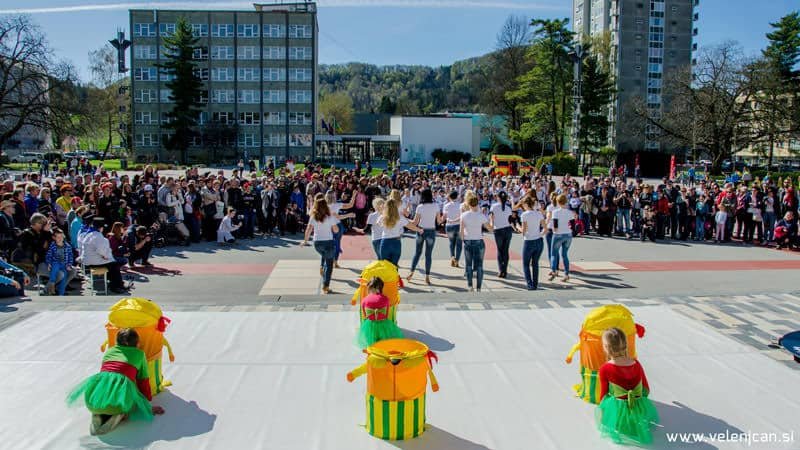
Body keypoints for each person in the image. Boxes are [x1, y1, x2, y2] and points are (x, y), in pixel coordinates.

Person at [66, 328, 165, 435]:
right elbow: (143, 381)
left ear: (117, 341)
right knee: (129, 401)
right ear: (137, 343)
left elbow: (106, 380)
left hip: (93, 401)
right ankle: (120, 414)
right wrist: (146, 405)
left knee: (111, 392)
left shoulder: (109, 351)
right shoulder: (140, 354)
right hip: (118, 405)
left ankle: (98, 413)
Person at [595, 327, 659, 445]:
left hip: (618, 412)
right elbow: (646, 389)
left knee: (609, 402)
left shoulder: (605, 368)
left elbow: (603, 396)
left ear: (606, 348)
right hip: (639, 409)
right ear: (625, 345)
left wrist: (604, 414)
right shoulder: (636, 364)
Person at [77, 216, 129, 294]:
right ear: (101, 228)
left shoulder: (88, 234)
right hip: (93, 262)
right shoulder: (98, 236)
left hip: (87, 261)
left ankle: (115, 282)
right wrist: (107, 257)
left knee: (112, 264)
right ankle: (116, 286)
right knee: (114, 265)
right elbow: (103, 253)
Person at [301, 194, 339, 294]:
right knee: (329, 264)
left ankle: (322, 267)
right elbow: (336, 230)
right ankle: (326, 286)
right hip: (328, 242)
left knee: (325, 257)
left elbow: (308, 229)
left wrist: (305, 241)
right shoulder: (329, 217)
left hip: (317, 243)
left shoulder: (313, 217)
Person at [355, 277, 403, 348]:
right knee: (384, 338)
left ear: (369, 288)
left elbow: (365, 315)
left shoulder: (364, 300)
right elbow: (386, 314)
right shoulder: (385, 299)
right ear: (380, 288)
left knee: (371, 339)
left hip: (370, 324)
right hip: (383, 323)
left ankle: (373, 347)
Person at [407, 188, 440, 285]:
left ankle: (411, 272)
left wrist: (405, 219)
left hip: (421, 231)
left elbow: (415, 222)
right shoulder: (436, 206)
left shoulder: (420, 207)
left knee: (417, 253)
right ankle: (427, 276)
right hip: (431, 231)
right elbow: (439, 221)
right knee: (428, 255)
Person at [461, 193, 493, 292]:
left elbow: (461, 231)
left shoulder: (464, 215)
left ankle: (470, 285)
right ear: (477, 204)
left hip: (468, 240)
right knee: (479, 265)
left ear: (468, 204)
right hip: (479, 241)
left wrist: (463, 241)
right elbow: (490, 229)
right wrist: (491, 220)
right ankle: (478, 287)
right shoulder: (481, 216)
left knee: (468, 265)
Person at [377, 198, 421, 267]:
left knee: (385, 266)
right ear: (396, 207)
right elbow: (411, 226)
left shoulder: (382, 217)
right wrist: (419, 230)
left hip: (385, 242)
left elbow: (378, 224)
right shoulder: (400, 217)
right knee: (394, 265)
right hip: (396, 242)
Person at [517, 196, 545, 290]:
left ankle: (530, 284)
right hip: (539, 240)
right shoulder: (539, 213)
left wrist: (518, 227)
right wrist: (540, 235)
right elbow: (545, 228)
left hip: (529, 241)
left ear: (526, 204)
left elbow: (524, 231)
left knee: (526, 264)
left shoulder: (524, 215)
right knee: (535, 263)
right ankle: (535, 284)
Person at [549, 194, 576, 282]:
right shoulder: (570, 212)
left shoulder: (555, 212)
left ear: (558, 202)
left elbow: (555, 226)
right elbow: (573, 226)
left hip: (558, 234)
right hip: (568, 234)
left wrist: (553, 231)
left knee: (553, 254)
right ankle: (566, 274)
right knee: (564, 255)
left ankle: (553, 271)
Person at [489, 191, 513, 278]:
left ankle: (501, 270)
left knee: (500, 250)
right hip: (507, 229)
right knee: (505, 250)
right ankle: (504, 270)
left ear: (498, 197)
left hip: (498, 230)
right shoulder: (508, 208)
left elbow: (491, 217)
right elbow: (510, 220)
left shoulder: (494, 206)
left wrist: (491, 226)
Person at [45, 228, 73, 295]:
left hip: (64, 264)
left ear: (63, 237)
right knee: (55, 267)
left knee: (64, 277)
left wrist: (69, 265)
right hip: (56, 262)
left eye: (61, 237)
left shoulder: (68, 246)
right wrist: (49, 263)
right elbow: (49, 255)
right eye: (58, 237)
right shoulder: (53, 245)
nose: (60, 238)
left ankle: (61, 293)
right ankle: (52, 284)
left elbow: (70, 257)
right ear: (54, 238)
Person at [443, 191, 462, 268]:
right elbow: (462, 216)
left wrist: (441, 221)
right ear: (457, 197)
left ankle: (452, 257)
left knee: (451, 242)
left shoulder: (446, 205)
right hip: (458, 225)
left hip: (449, 225)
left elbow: (444, 217)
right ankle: (457, 260)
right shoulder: (460, 205)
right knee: (459, 244)